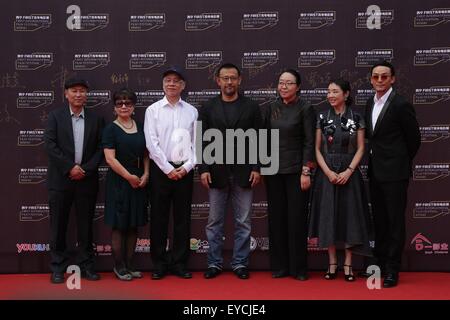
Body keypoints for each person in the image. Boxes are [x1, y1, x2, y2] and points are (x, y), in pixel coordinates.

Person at [199, 63, 262, 280]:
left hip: (244, 171)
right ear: (218, 81)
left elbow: (260, 138)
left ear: (239, 80)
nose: (229, 82)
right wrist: (203, 169)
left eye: (232, 78)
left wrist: (257, 167)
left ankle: (240, 264)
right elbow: (201, 140)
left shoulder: (252, 107)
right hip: (217, 171)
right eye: (225, 78)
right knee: (214, 222)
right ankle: (214, 263)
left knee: (243, 222)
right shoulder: (207, 108)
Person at [309, 78, 373, 282]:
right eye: (328, 91)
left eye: (335, 91)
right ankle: (332, 263)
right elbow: (317, 149)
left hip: (350, 173)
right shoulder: (321, 116)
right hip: (326, 172)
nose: (330, 95)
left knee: (350, 217)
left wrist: (349, 171)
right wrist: (327, 171)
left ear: (346, 94)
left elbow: (361, 148)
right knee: (328, 216)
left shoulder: (357, 117)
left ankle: (348, 264)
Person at [365, 61, 421, 288]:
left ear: (393, 79)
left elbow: (414, 140)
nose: (379, 80)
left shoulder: (400, 104)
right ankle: (377, 264)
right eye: (376, 76)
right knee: (379, 221)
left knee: (395, 222)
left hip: (395, 173)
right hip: (376, 172)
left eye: (384, 76)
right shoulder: (370, 102)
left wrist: (398, 161)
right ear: (371, 79)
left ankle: (392, 270)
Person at [44, 77, 104, 284]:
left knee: (86, 226)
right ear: (66, 94)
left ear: (87, 94)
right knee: (58, 226)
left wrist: (84, 169)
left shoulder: (96, 119)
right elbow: (50, 146)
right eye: (74, 91)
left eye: (82, 91)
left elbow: (100, 149)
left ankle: (86, 266)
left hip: (86, 180)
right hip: (61, 180)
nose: (78, 94)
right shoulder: (55, 117)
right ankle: (58, 267)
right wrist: (70, 167)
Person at [144, 66, 198, 280]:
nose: (172, 84)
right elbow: (152, 144)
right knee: (158, 218)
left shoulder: (192, 111)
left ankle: (179, 263)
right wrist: (168, 169)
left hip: (184, 171)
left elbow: (197, 145)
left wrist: (185, 168)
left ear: (183, 85)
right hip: (160, 172)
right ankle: (159, 264)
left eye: (176, 80)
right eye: (168, 80)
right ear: (163, 84)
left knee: (182, 219)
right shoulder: (153, 110)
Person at [262, 69, 315, 281]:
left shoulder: (306, 108)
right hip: (273, 171)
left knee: (296, 220)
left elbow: (309, 142)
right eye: (281, 82)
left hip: (296, 172)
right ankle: (280, 266)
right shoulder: (270, 108)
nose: (283, 87)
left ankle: (299, 268)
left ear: (298, 86)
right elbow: (262, 139)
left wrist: (306, 170)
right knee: (277, 220)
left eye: (289, 83)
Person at [102, 88, 149, 281]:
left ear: (133, 106)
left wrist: (146, 173)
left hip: (138, 181)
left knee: (133, 226)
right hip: (119, 182)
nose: (124, 106)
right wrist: (129, 176)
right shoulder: (110, 129)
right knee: (119, 226)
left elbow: (146, 154)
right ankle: (119, 267)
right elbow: (110, 159)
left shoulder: (139, 125)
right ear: (114, 107)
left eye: (128, 103)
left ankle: (130, 265)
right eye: (120, 103)